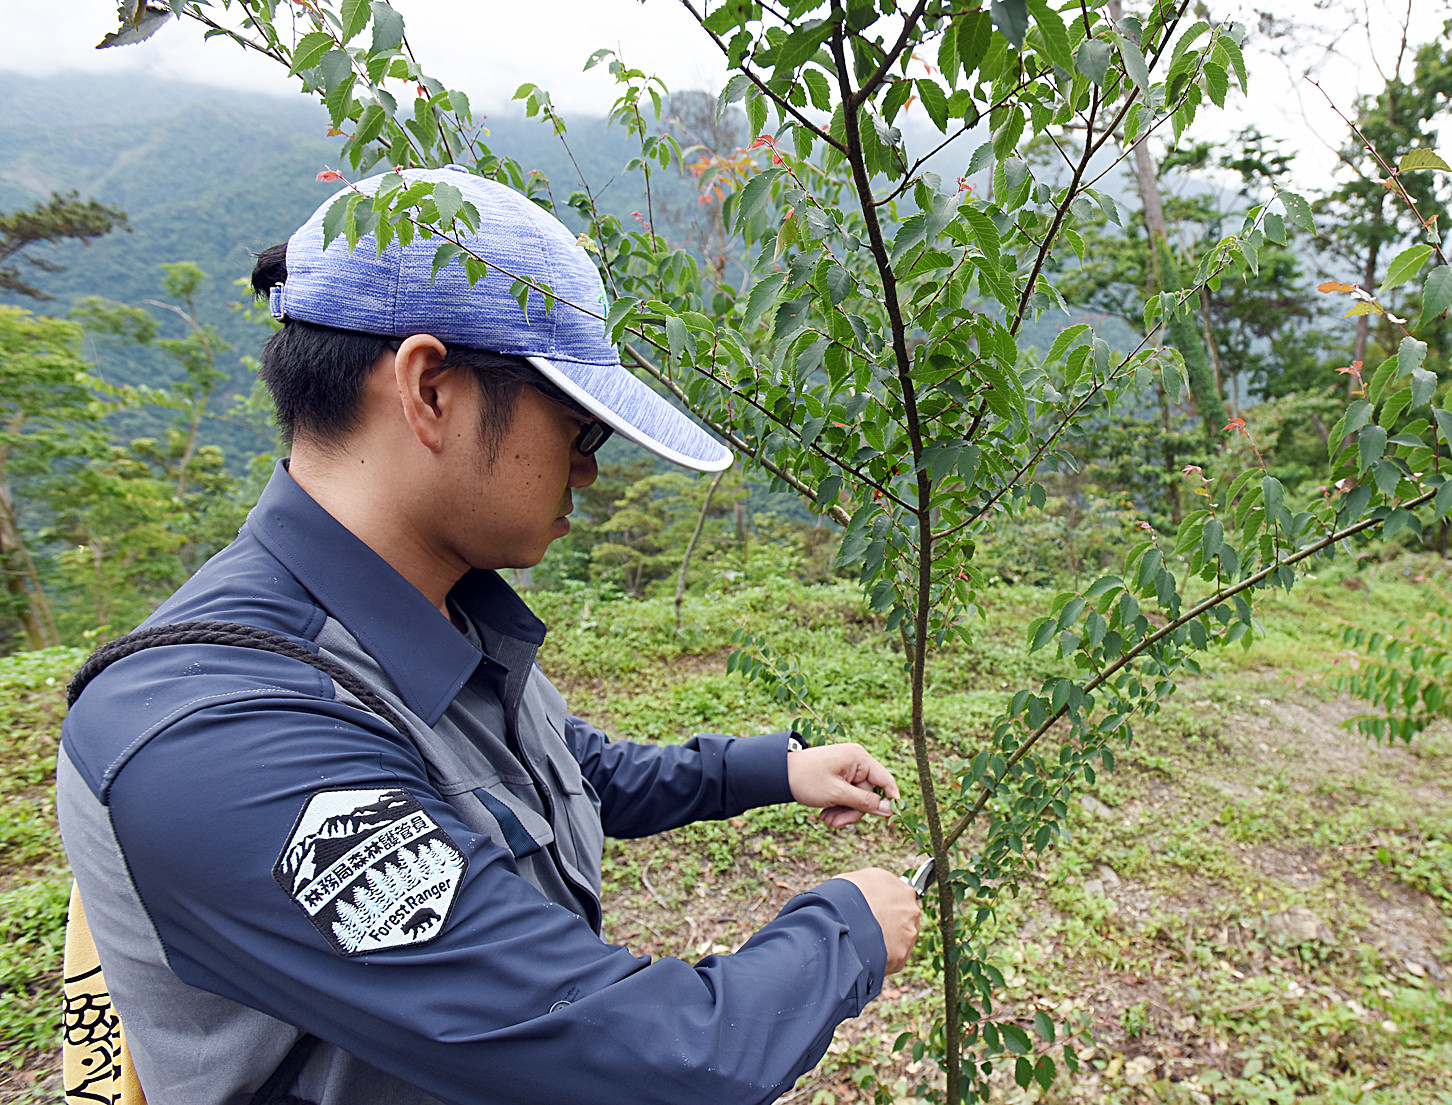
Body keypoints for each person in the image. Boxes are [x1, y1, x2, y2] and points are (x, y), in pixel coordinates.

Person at [57, 165, 921, 1105]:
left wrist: (768, 768)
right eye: (581, 432)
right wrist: (847, 928)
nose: (587, 475)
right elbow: (643, 1061)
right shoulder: (216, 728)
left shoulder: (435, 605)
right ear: (429, 389)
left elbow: (560, 768)